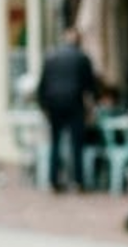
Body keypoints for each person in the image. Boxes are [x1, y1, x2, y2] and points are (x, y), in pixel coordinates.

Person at [35, 27, 98, 192]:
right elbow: (90, 86)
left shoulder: (51, 57)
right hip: (74, 103)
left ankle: (53, 180)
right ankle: (78, 181)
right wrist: (92, 107)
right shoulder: (82, 58)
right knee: (77, 144)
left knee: (55, 143)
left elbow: (42, 85)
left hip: (54, 104)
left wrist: (44, 106)